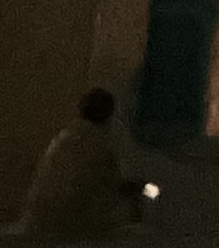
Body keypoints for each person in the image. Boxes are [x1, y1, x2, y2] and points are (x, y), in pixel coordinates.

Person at [10, 86, 142, 238]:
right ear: (109, 114)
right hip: (70, 229)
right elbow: (108, 188)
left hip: (37, 222)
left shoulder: (64, 139)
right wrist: (133, 189)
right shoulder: (101, 146)